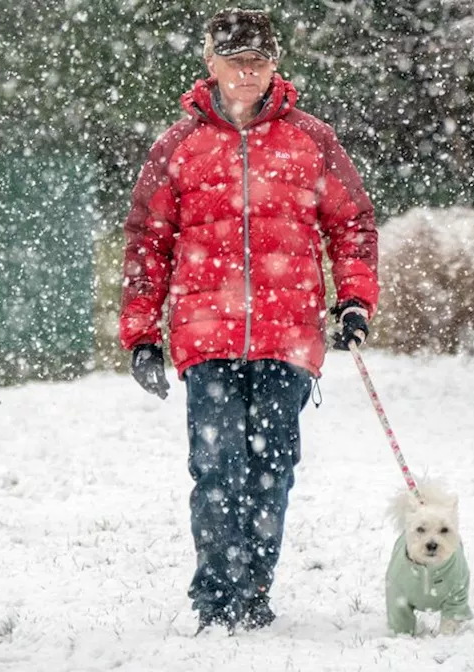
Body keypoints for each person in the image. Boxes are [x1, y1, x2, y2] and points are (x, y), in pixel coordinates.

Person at [119, 7, 379, 634]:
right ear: (209, 63)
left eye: (258, 60)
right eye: (234, 59)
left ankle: (254, 590)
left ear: (274, 65)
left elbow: (352, 224)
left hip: (287, 336)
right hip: (206, 335)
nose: (246, 71)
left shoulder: (311, 139)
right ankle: (215, 598)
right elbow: (146, 243)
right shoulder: (177, 146)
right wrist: (142, 335)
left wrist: (354, 299)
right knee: (216, 469)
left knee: (271, 469)